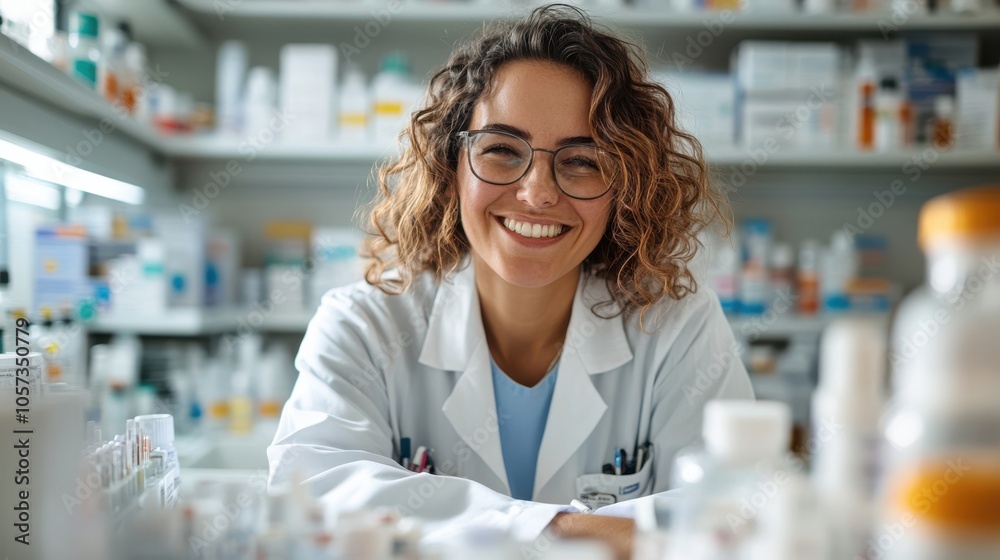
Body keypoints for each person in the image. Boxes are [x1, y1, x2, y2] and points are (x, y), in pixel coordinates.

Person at [268, 4, 753, 557]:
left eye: (583, 161)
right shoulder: (364, 324)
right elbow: (309, 493)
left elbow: (730, 519)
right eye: (501, 150)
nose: (538, 192)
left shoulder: (677, 329)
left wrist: (443, 518)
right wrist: (560, 531)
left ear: (627, 190)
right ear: (450, 168)